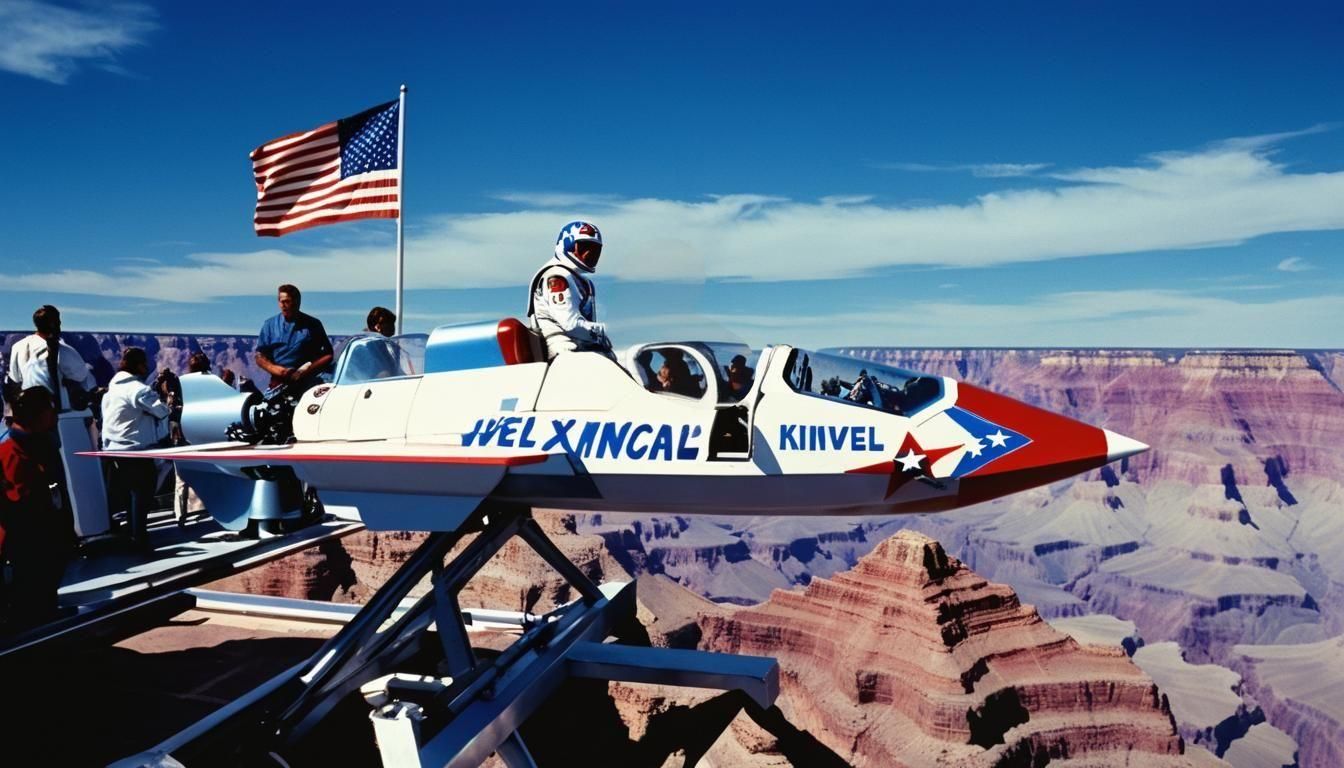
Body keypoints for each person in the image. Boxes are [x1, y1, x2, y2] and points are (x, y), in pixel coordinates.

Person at [0, 387, 67, 629]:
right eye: (50, 408)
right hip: (26, 541)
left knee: (46, 586)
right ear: (36, 414)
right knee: (31, 594)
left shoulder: (39, 446)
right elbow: (15, 505)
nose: (55, 414)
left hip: (44, 535)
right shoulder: (11, 452)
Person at [101, 348, 172, 551]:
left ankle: (130, 535)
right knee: (143, 494)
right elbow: (161, 411)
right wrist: (165, 396)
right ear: (139, 365)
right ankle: (140, 540)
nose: (147, 366)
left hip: (112, 449)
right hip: (134, 449)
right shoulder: (138, 389)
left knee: (127, 494)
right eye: (145, 363)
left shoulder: (111, 390)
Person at [526, 221, 613, 361]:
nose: (589, 254)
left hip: (581, 346)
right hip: (561, 346)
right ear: (568, 245)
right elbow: (570, 324)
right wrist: (602, 331)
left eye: (595, 249)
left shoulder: (580, 280)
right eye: (584, 247)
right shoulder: (557, 276)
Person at [5, 305, 95, 412]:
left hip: (28, 410)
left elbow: (16, 377)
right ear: (53, 324)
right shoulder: (64, 351)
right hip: (58, 412)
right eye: (58, 322)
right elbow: (81, 375)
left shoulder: (17, 347)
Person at [255, 284, 334, 392]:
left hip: (308, 383)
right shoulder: (270, 325)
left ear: (297, 302)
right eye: (281, 301)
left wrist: (303, 372)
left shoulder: (313, 324)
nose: (283, 305)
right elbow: (260, 357)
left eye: (287, 301)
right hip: (278, 383)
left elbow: (328, 355)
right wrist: (278, 371)